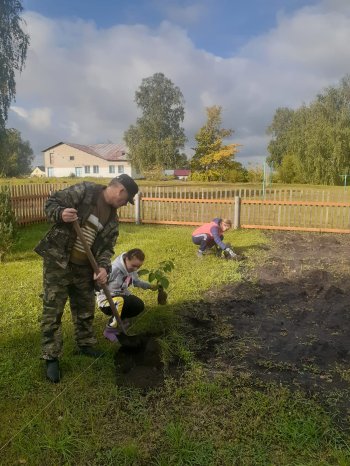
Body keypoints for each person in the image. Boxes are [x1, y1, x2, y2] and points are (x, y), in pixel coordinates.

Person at [35, 174, 139, 383]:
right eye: (125, 200)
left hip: (84, 268)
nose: (124, 204)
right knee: (52, 310)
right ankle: (51, 356)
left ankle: (85, 344)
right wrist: (61, 213)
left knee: (85, 308)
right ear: (120, 191)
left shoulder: (112, 219)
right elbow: (51, 203)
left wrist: (102, 267)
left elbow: (106, 248)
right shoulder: (85, 192)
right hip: (59, 262)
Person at [96, 248, 158, 342]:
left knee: (138, 304)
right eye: (134, 266)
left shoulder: (132, 270)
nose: (136, 269)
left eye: (139, 266)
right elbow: (97, 284)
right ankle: (109, 330)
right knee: (121, 301)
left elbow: (136, 282)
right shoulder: (113, 269)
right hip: (107, 301)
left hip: (121, 297)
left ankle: (121, 320)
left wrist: (150, 286)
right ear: (127, 259)